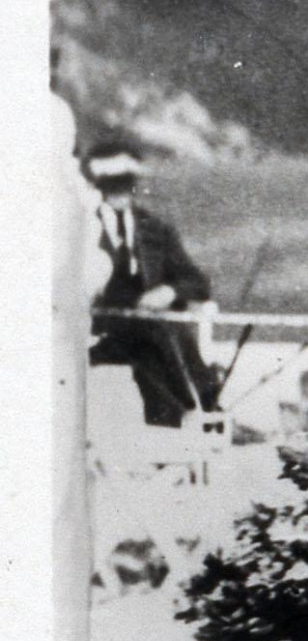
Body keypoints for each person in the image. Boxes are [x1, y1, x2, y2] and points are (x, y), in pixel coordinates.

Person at [81, 138, 221, 427]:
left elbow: (197, 282)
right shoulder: (83, 227)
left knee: (158, 338)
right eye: (111, 184)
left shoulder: (153, 228)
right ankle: (202, 409)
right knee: (161, 333)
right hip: (101, 331)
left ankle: (183, 419)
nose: (119, 192)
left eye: (126, 183)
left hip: (147, 332)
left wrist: (169, 291)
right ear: (96, 185)